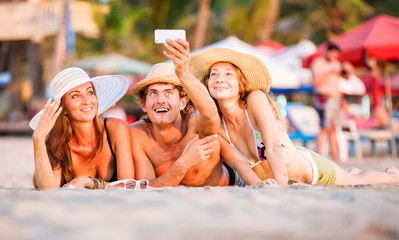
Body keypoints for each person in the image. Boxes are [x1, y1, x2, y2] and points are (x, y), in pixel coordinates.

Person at [187, 47, 399, 186]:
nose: (219, 78)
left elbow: (272, 145)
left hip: (308, 170)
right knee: (351, 177)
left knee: (356, 181)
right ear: (207, 84)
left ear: (241, 83)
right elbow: (239, 165)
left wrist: (279, 185)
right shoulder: (217, 125)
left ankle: (391, 176)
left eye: (228, 74)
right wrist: (259, 186)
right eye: (213, 74)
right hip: (275, 182)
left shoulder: (255, 99)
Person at [129, 39, 247, 187]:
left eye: (168, 93)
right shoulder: (138, 135)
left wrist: (183, 73)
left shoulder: (196, 125)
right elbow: (147, 187)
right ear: (143, 104)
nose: (160, 100)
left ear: (183, 102)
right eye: (153, 93)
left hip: (230, 184)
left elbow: (210, 113)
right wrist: (184, 163)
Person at [30, 67, 134, 190]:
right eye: (75, 96)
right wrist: (38, 138)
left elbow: (128, 185)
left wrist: (88, 181)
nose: (86, 101)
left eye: (90, 92)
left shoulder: (116, 129)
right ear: (62, 108)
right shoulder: (59, 143)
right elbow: (48, 189)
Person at [311, 43, 343, 163]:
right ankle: (320, 156)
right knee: (324, 128)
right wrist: (330, 72)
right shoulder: (318, 63)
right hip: (324, 98)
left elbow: (345, 77)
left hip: (335, 99)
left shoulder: (336, 64)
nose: (334, 56)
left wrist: (348, 70)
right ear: (328, 51)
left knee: (333, 128)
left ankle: (336, 156)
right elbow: (316, 82)